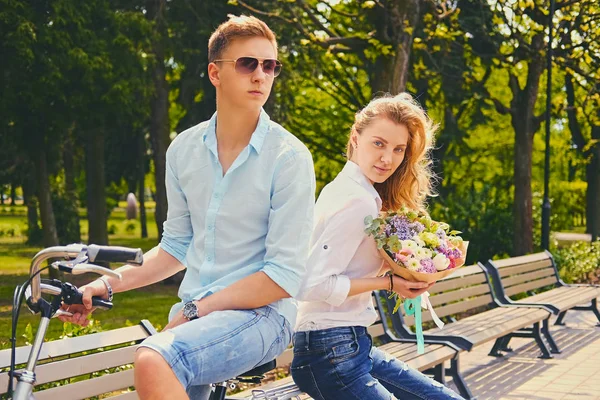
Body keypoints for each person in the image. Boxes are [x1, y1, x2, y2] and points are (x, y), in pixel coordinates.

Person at [60, 15, 316, 400]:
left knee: (153, 358)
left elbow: (282, 277)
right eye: (248, 63)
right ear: (215, 73)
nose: (261, 75)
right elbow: (175, 248)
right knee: (161, 364)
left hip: (263, 316)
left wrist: (196, 310)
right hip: (195, 317)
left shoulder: (289, 157)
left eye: (270, 66)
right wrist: (102, 285)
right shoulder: (183, 150)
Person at [290, 93, 464, 399]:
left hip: (353, 345)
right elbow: (310, 285)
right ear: (356, 138)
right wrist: (389, 282)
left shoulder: (361, 194)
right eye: (378, 143)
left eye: (398, 150)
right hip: (328, 351)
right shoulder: (356, 200)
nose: (387, 159)